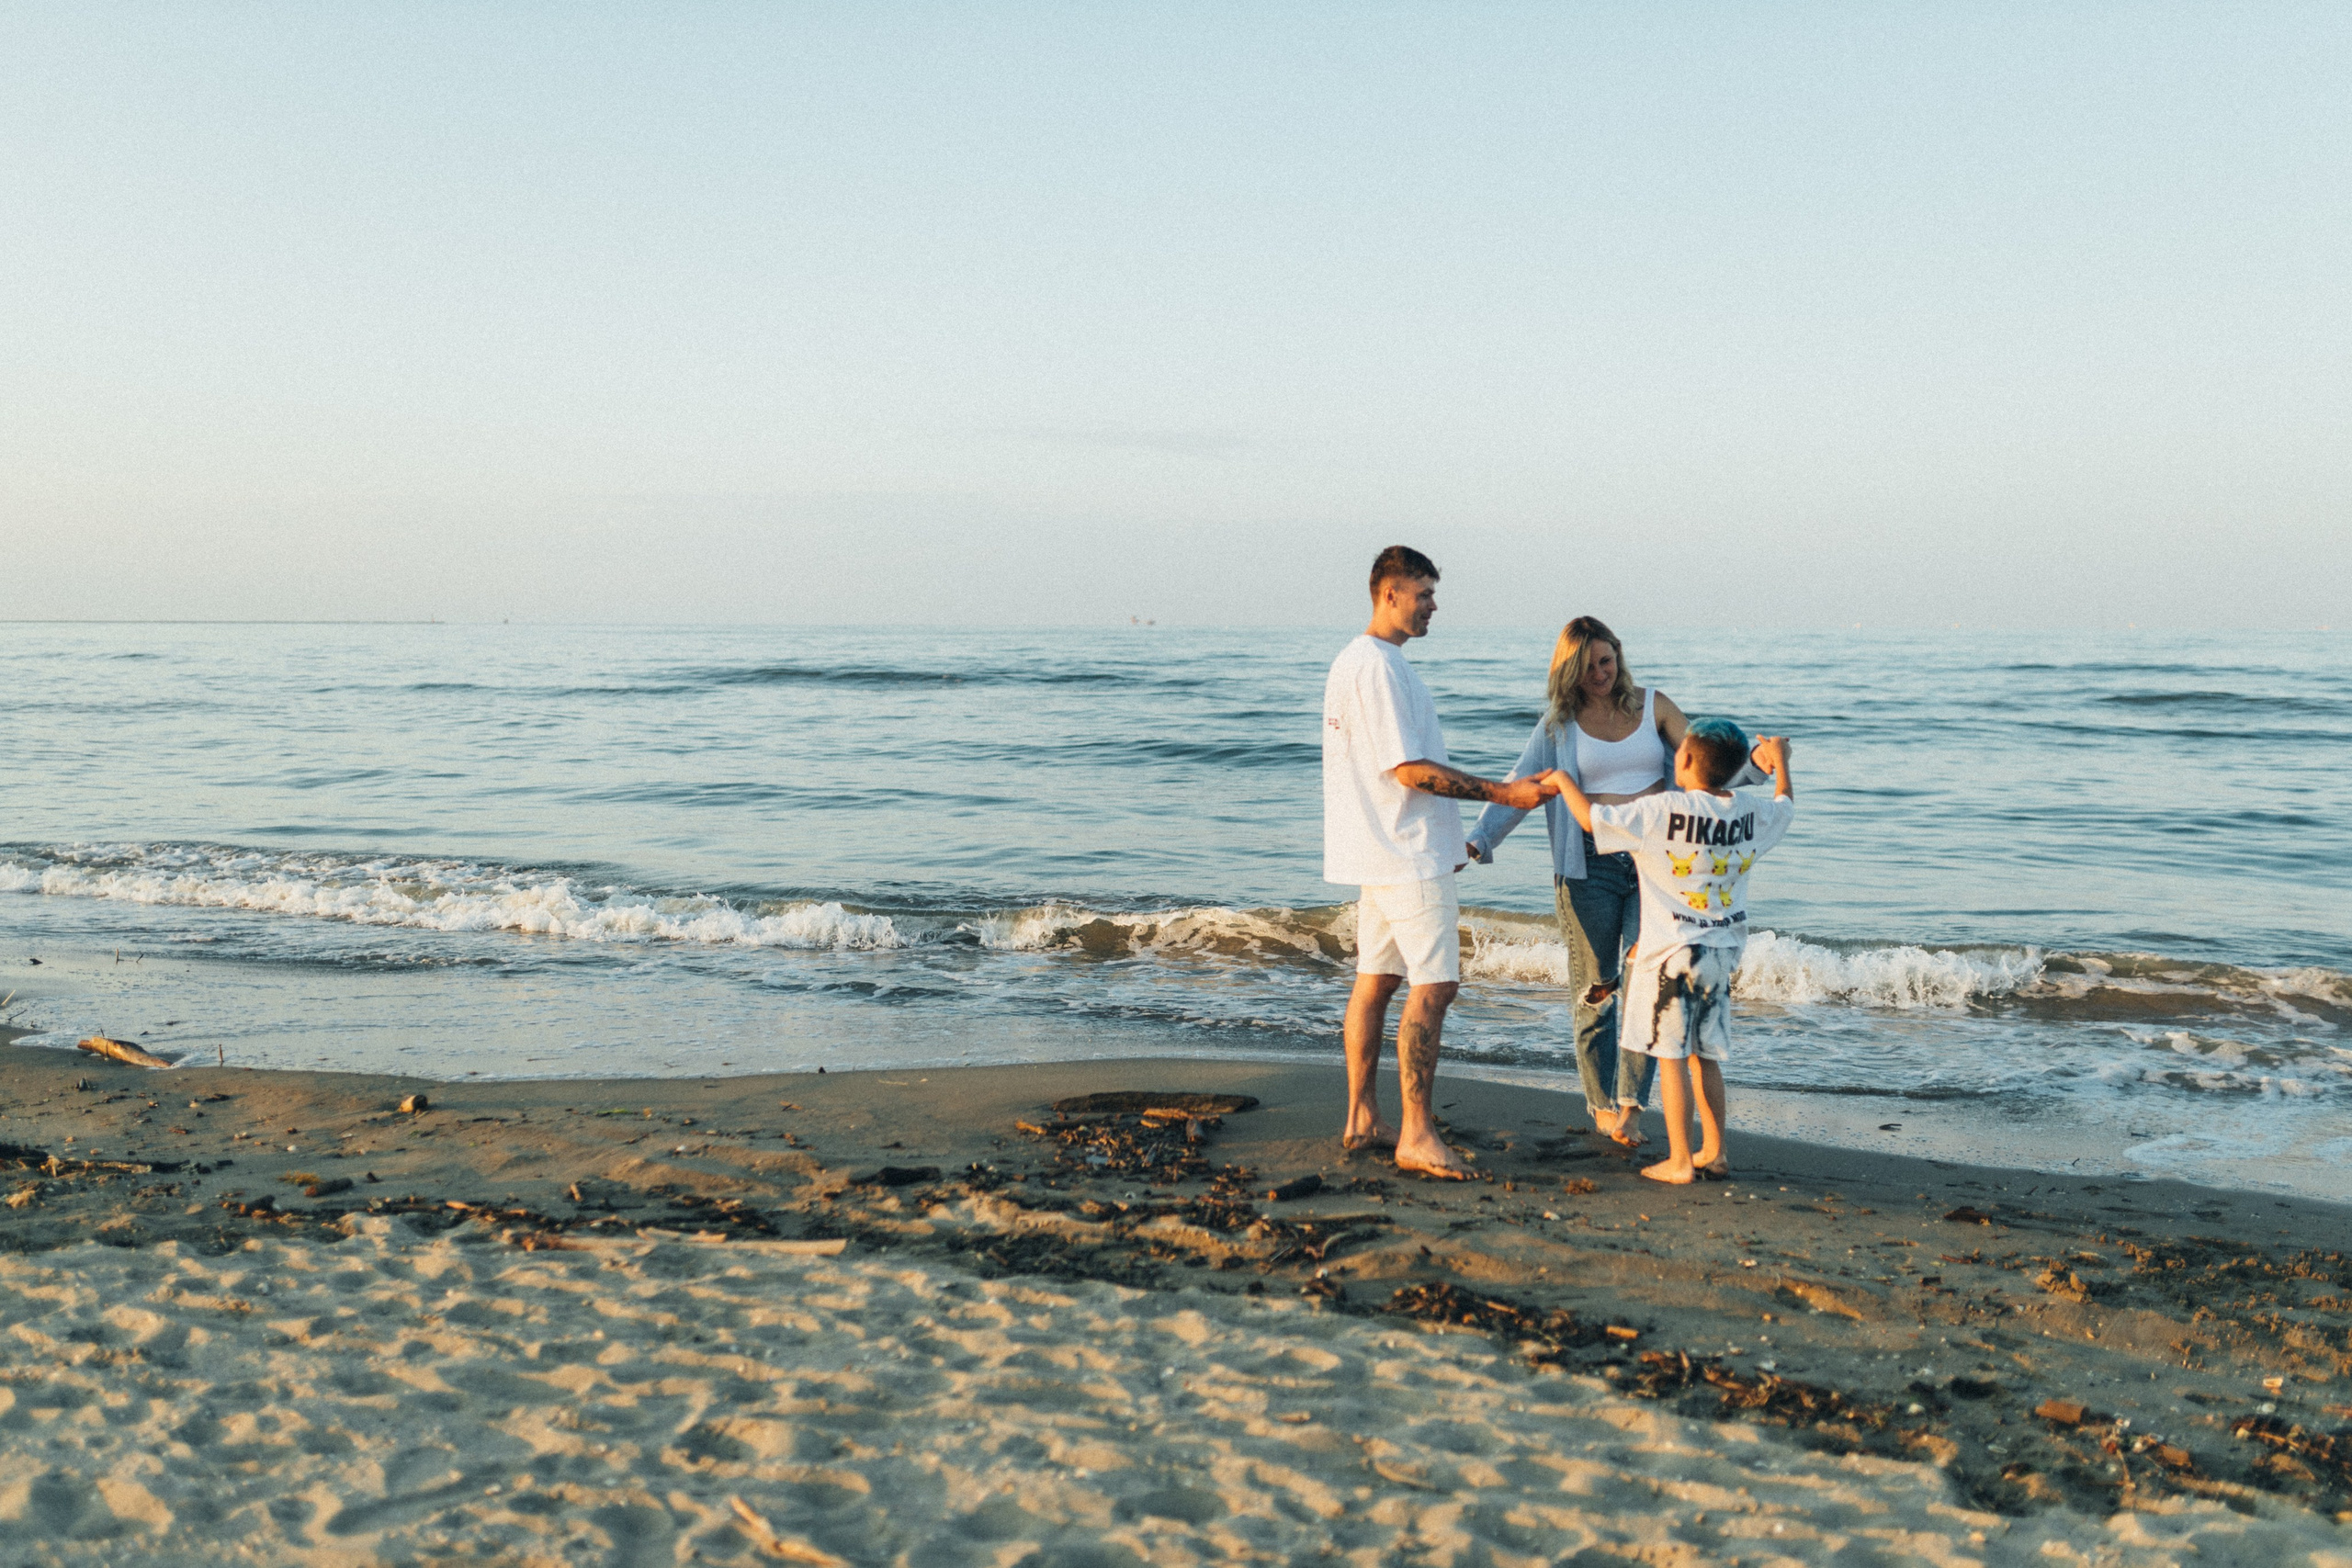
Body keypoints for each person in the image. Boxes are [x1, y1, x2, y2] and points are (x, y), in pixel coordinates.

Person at [1323, 546, 1556, 1179]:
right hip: (1406, 851)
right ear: (1389, 592)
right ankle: (1417, 1133)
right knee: (1436, 986)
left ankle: (1363, 1116)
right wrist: (1504, 793)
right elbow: (1411, 771)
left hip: (1382, 849)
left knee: (1378, 979)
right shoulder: (1379, 668)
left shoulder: (1356, 661)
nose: (1433, 606)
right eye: (1423, 593)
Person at [1462, 618, 1696, 1147]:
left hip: (1655, 861)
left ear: (1619, 655)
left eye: (1607, 661)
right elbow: (1521, 784)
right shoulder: (1558, 724)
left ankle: (1632, 1106)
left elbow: (1701, 755)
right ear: (1569, 669)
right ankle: (1601, 1104)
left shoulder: (1651, 705)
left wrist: (1751, 764)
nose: (1600, 674)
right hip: (1588, 865)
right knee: (1597, 991)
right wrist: (1480, 839)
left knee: (1645, 978)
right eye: (1588, 666)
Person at [1543, 721, 1796, 1183]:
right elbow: (1785, 805)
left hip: (1671, 956)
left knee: (1671, 1056)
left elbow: (1589, 820)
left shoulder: (1661, 810)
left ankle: (1680, 1160)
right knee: (1706, 1056)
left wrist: (1562, 780)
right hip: (1722, 952)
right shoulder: (1748, 811)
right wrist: (1781, 764)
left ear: (1683, 761)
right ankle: (1714, 1151)